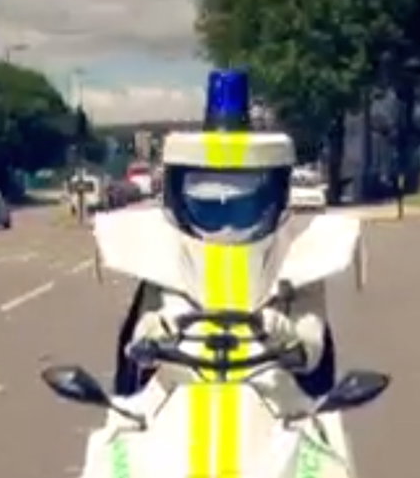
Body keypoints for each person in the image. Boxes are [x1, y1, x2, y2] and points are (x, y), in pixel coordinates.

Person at [111, 165, 337, 398]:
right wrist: (153, 333)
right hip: (176, 396)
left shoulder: (299, 260)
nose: (226, 228)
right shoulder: (164, 260)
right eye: (210, 210)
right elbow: (140, 339)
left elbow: (311, 345)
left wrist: (286, 336)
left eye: (241, 209)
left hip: (275, 399)